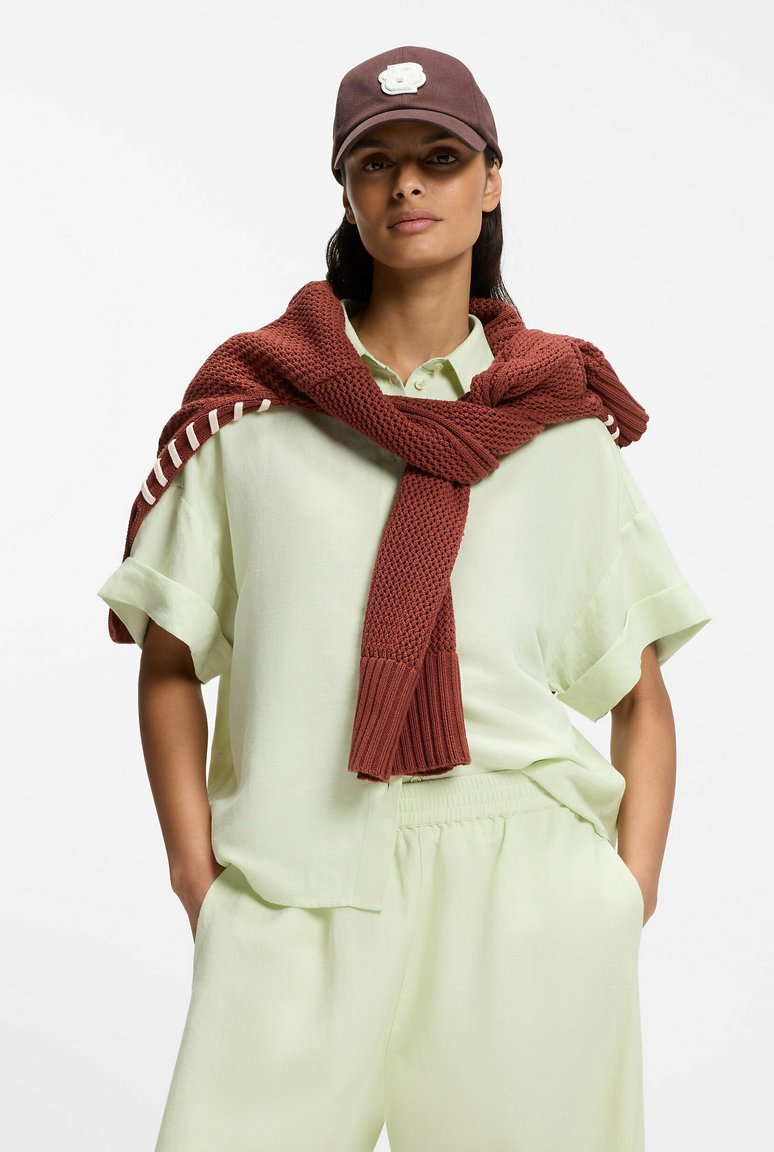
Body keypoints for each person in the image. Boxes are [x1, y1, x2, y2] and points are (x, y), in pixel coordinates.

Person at [97, 44, 711, 1152]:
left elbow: (637, 689)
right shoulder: (256, 417)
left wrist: (627, 890)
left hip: (523, 884)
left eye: (440, 157)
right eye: (375, 162)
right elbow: (169, 661)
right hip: (294, 873)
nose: (408, 184)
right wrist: (197, 875)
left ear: (491, 180)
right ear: (346, 192)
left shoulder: (559, 429)